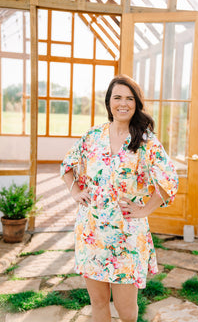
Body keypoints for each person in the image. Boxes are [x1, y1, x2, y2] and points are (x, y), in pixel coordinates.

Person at [61, 74, 178, 322]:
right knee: (99, 304)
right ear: (109, 102)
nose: (123, 103)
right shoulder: (92, 136)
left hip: (127, 236)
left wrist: (146, 209)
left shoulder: (145, 141)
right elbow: (67, 165)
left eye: (129, 98)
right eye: (117, 97)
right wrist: (75, 191)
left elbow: (169, 180)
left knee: (126, 310)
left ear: (136, 104)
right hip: (91, 232)